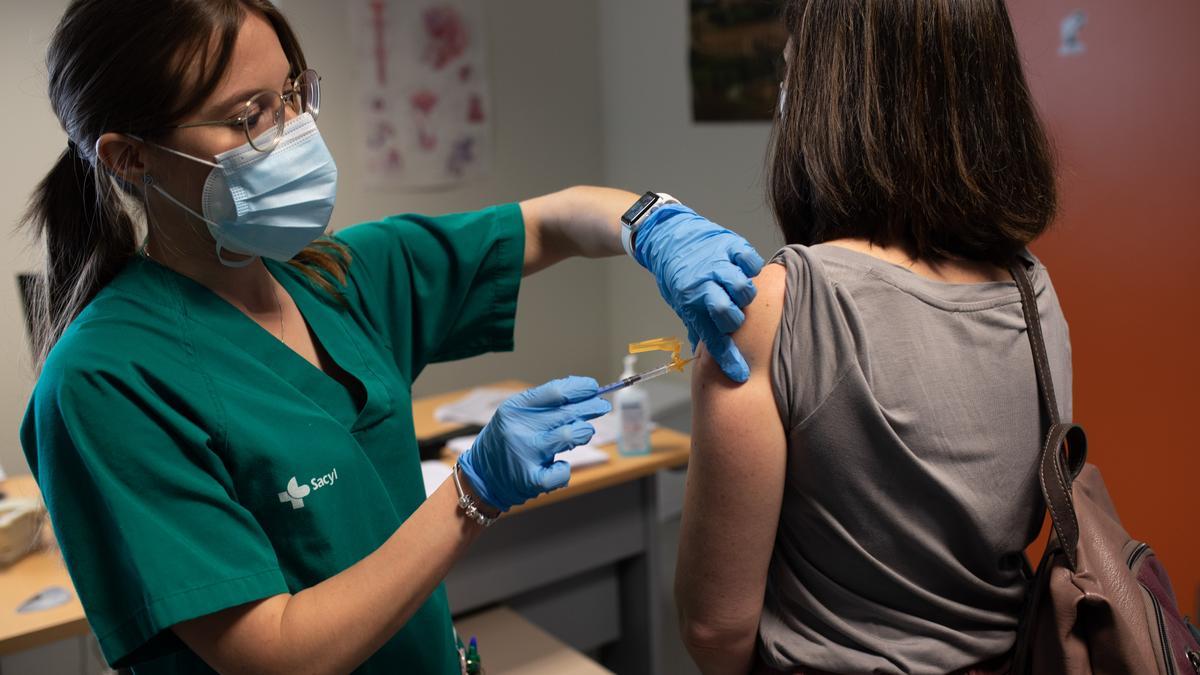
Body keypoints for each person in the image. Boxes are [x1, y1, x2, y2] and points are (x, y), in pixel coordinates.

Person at [18, 1, 764, 672]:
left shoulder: (337, 276)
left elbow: (554, 218)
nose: (289, 133)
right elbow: (274, 654)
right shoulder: (104, 382)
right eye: (248, 116)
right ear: (129, 156)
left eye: (291, 95)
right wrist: (472, 492)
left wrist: (655, 226)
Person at [673, 1, 1066, 673]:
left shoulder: (778, 305)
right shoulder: (1032, 288)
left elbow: (714, 627)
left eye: (790, 65)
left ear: (832, 93)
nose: (783, 89)